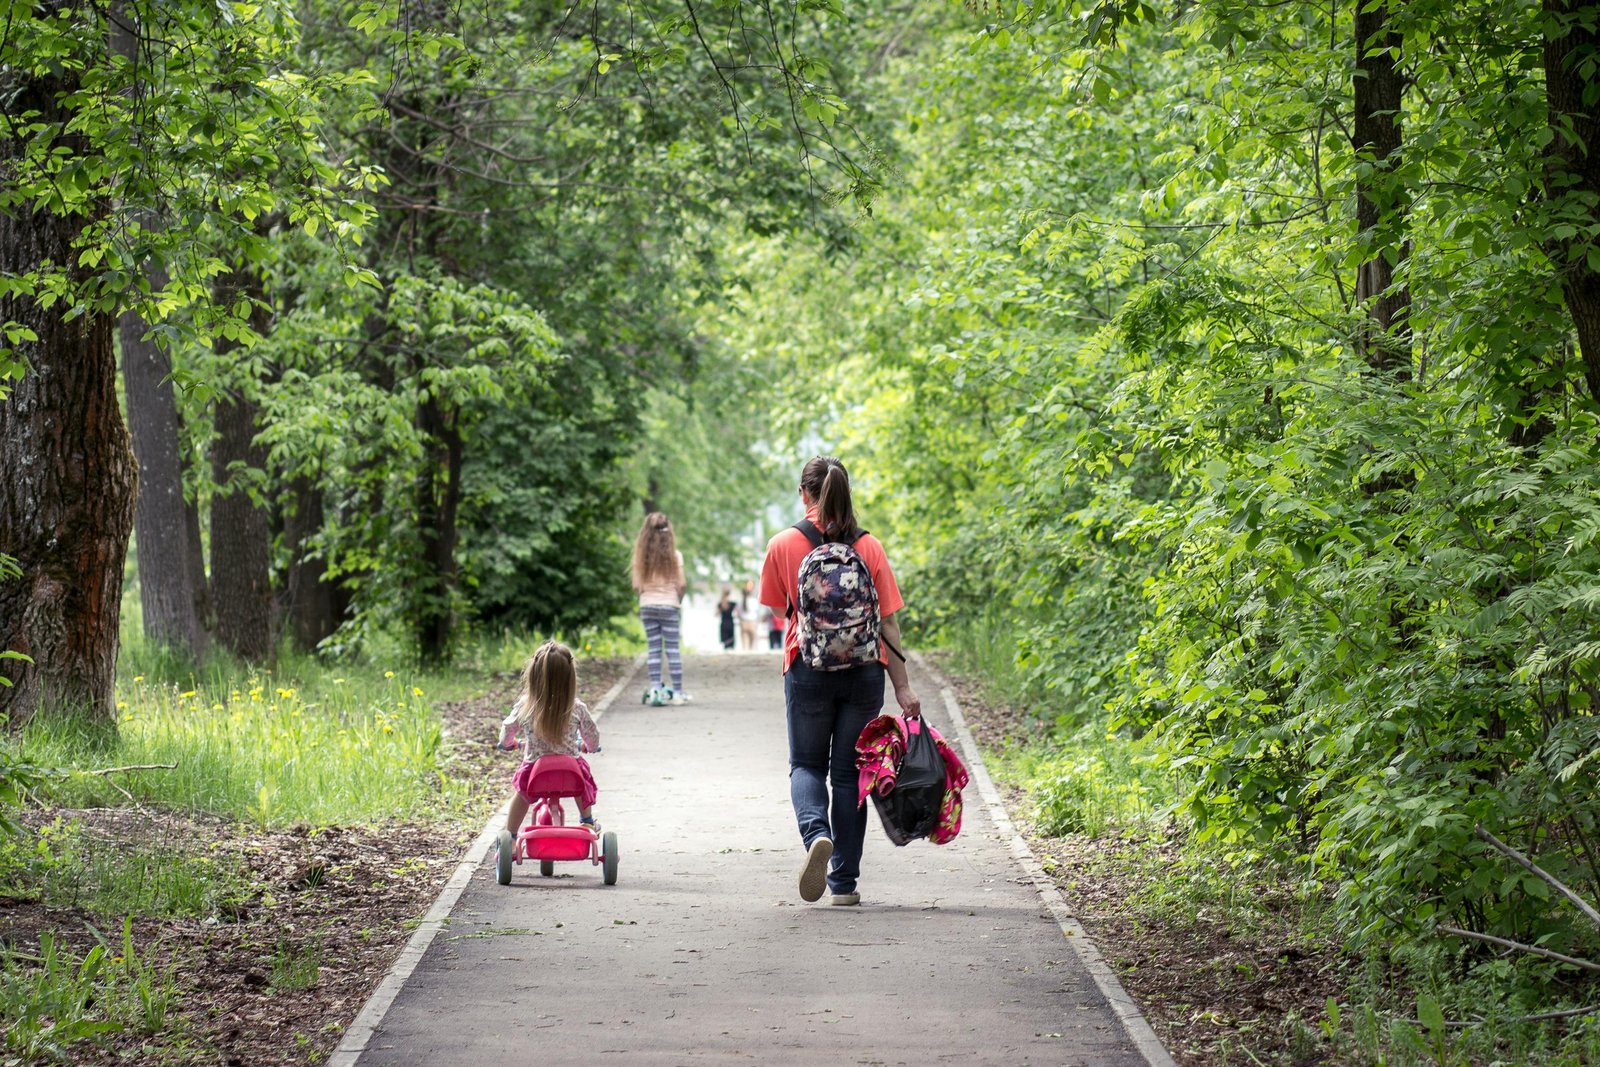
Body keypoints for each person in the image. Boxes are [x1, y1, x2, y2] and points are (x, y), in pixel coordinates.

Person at [759, 455, 921, 907]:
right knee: (849, 774)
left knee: (806, 765)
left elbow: (778, 610)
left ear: (803, 492)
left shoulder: (783, 544)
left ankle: (816, 834)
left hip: (806, 667)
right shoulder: (869, 547)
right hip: (865, 673)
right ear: (848, 492)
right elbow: (889, 625)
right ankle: (844, 884)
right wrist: (903, 687)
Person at [497, 640, 601, 834]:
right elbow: (592, 734)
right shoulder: (577, 708)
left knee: (521, 793)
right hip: (569, 772)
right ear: (570, 677)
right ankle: (586, 820)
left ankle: (510, 835)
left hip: (535, 773)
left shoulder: (525, 706)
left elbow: (508, 727)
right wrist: (590, 746)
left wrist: (507, 743)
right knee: (582, 783)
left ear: (534, 675)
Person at [632, 512, 690, 705]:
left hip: (647, 605)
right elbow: (681, 584)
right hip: (669, 605)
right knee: (672, 649)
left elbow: (636, 586)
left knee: (654, 649)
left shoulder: (640, 558)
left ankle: (655, 689)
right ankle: (679, 693)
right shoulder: (675, 556)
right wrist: (677, 599)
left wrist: (647, 596)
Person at [738, 585, 759, 650]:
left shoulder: (740, 602)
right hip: (752, 622)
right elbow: (757, 612)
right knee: (752, 642)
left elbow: (738, 613)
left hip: (743, 622)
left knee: (744, 642)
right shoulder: (754, 601)